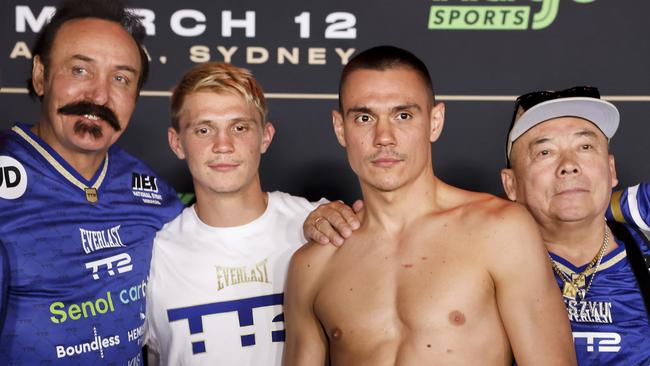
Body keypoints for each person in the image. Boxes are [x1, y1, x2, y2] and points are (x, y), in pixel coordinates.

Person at [284, 45, 576, 365]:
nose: (384, 136)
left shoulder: (500, 230)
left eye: (403, 115)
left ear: (435, 121)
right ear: (341, 128)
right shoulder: (312, 265)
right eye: (364, 117)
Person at [0, 0, 184, 364]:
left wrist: (302, 223)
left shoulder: (155, 194)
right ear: (41, 75)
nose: (100, 96)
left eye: (121, 78)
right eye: (80, 70)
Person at [145, 62, 345, 365]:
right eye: (204, 129)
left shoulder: (323, 226)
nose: (222, 145)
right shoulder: (154, 255)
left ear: (265, 137)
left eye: (239, 128)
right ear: (177, 143)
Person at [500, 86, 650, 364]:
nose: (569, 165)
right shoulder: (482, 270)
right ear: (510, 184)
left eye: (585, 147)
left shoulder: (644, 247)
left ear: (611, 169)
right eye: (545, 152)